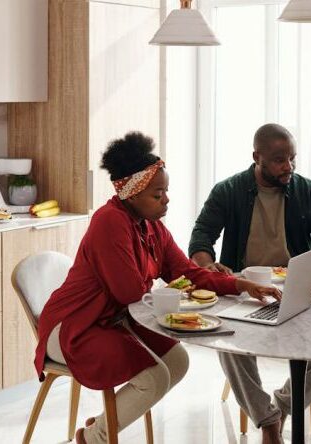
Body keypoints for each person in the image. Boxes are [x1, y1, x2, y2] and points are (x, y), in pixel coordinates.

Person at [34, 132, 281, 444]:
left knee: (178, 361)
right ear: (132, 193)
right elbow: (130, 294)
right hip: (73, 326)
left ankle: (103, 423)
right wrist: (177, 289)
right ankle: (93, 438)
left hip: (111, 322)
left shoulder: (153, 227)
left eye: (166, 191)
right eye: (158, 193)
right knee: (154, 376)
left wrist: (238, 284)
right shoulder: (108, 222)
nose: (166, 199)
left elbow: (187, 272)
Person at [189, 123, 311, 444]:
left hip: (295, 289)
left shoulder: (309, 191)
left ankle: (283, 406)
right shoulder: (227, 191)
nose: (289, 167)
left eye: (292, 159)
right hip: (245, 287)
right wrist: (207, 266)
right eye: (279, 160)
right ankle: (268, 421)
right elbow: (201, 236)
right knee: (225, 339)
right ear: (257, 157)